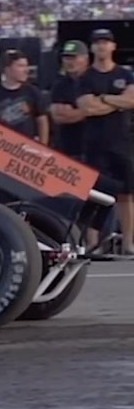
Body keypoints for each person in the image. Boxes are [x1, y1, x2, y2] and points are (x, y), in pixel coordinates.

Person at [76, 28, 134, 256]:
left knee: (127, 194)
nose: (101, 46)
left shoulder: (125, 74)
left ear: (113, 46)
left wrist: (103, 98)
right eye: (97, 42)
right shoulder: (86, 77)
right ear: (92, 47)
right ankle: (93, 243)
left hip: (122, 142)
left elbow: (132, 101)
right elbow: (87, 108)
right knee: (94, 194)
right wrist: (117, 102)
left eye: (105, 42)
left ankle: (128, 242)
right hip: (94, 144)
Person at [0, 50, 49, 143]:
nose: (26, 70)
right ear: (7, 69)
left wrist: (43, 146)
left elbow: (42, 121)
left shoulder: (32, 92)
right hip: (2, 146)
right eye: (21, 66)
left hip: (28, 147)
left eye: (26, 66)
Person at [49, 40, 89, 159]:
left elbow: (103, 110)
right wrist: (88, 111)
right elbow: (58, 117)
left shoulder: (94, 79)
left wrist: (74, 112)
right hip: (67, 148)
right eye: (66, 58)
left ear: (85, 58)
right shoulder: (59, 85)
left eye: (74, 57)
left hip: (94, 148)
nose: (69, 62)